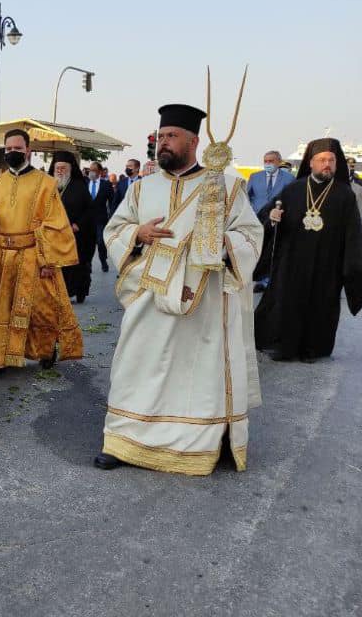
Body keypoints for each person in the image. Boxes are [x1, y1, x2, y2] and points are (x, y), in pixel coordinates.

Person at [95, 103, 263, 475]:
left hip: (201, 300)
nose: (163, 143)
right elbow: (113, 229)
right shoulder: (142, 188)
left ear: (193, 141)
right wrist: (136, 234)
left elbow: (251, 235)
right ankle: (122, 441)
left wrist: (219, 243)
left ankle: (199, 444)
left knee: (195, 374)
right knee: (135, 364)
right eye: (160, 137)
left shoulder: (228, 186)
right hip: (149, 296)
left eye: (172, 136)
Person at [254, 138, 362, 362]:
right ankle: (284, 347)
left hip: (327, 263)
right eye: (322, 160)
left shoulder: (345, 194)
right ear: (311, 163)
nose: (327, 164)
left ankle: (313, 348)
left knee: (321, 305)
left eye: (331, 160)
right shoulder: (293, 189)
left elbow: (354, 234)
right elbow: (267, 213)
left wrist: (352, 265)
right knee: (288, 303)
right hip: (292, 261)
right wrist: (272, 219)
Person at [0, 130, 81, 370]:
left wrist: (47, 261)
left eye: (18, 149)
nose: (13, 153)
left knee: (40, 308)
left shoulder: (45, 183)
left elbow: (55, 222)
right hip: (2, 255)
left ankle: (44, 351)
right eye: (9, 149)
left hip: (34, 255)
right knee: (0, 308)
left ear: (28, 151)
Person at [49, 151, 96, 303]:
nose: (60, 171)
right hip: (54, 234)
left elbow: (89, 210)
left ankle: (77, 291)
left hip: (75, 235)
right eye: (57, 168)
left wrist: (78, 225)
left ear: (70, 169)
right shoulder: (49, 185)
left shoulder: (79, 186)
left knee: (75, 266)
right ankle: (56, 292)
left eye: (63, 168)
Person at [246, 150, 295, 291]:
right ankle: (257, 277)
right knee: (257, 249)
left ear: (278, 162)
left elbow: (292, 199)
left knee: (273, 249)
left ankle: (268, 281)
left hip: (279, 220)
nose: (268, 164)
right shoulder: (255, 177)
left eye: (271, 161)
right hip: (257, 219)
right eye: (265, 161)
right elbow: (247, 196)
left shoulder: (289, 179)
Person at [85, 161, 113, 272]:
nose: (91, 172)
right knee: (88, 242)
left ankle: (103, 260)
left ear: (100, 172)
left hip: (101, 219)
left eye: (94, 170)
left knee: (101, 242)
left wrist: (112, 217)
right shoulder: (85, 182)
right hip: (86, 220)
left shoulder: (106, 184)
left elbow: (112, 201)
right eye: (90, 170)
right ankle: (88, 264)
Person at [346, 157, 362, 228]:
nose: (351, 167)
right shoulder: (337, 182)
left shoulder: (361, 183)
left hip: (356, 220)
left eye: (352, 165)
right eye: (349, 164)